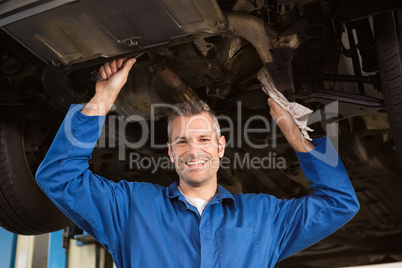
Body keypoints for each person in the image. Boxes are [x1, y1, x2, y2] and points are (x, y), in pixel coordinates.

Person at [36, 58, 359, 268]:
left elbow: (339, 204)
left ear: (220, 147)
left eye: (204, 139)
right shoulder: (130, 207)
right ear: (170, 152)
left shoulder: (265, 216)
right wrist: (103, 99)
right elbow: (60, 179)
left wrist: (295, 136)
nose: (193, 150)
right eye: (182, 141)